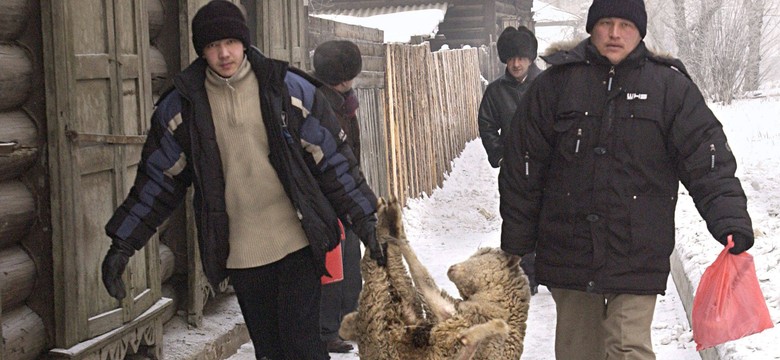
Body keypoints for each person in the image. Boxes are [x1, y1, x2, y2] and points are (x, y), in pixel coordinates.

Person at [99, 2, 386, 359]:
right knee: (270, 350)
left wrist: (369, 223)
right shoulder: (183, 109)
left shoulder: (285, 90)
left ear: (245, 43)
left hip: (297, 241)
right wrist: (122, 246)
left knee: (303, 348)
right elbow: (156, 183)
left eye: (231, 42)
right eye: (212, 45)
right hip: (242, 254)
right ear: (201, 50)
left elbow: (335, 162)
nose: (223, 53)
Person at [498, 0, 754, 358]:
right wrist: (518, 243)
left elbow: (706, 159)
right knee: (578, 351)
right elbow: (523, 166)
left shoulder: (669, 88)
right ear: (591, 27)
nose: (615, 33)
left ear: (640, 31)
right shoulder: (555, 85)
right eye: (606, 23)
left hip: (638, 247)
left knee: (627, 347)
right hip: (569, 246)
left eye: (625, 25)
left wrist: (728, 218)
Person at [478, 25, 542, 295]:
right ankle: (522, 275)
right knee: (516, 218)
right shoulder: (495, 91)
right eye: (512, 58)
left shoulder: (546, 84)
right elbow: (487, 125)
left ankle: (550, 270)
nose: (516, 64)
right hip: (513, 167)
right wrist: (500, 155)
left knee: (548, 216)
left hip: (544, 165)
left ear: (530, 59)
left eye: (522, 58)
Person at [311, 40, 364, 354]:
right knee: (334, 265)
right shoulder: (321, 104)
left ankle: (347, 320)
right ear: (343, 76)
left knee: (350, 262)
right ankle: (327, 329)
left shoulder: (344, 101)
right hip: (329, 196)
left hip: (346, 191)